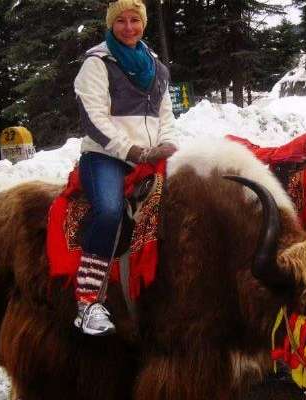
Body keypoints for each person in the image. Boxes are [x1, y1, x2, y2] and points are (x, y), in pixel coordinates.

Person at [73, 0, 177, 335]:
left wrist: (168, 143)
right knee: (109, 211)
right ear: (111, 24)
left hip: (149, 155)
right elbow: (93, 118)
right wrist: (129, 150)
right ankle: (88, 301)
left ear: (144, 24)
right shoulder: (97, 62)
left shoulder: (157, 67)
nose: (129, 27)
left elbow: (165, 116)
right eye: (121, 21)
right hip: (105, 156)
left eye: (135, 20)